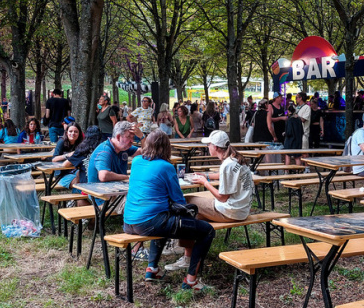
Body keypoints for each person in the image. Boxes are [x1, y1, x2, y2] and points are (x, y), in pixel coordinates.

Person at [123, 130, 215, 291]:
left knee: (164, 219)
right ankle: (191, 281)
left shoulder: (137, 161)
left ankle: (152, 269)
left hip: (129, 222)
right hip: (150, 222)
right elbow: (178, 200)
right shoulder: (166, 167)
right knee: (207, 231)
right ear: (166, 147)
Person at [165, 130, 254, 272]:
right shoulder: (235, 159)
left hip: (230, 211)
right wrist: (206, 175)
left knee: (186, 203)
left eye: (209, 145)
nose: (207, 147)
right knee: (194, 214)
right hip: (242, 209)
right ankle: (186, 251)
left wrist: (204, 182)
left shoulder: (227, 165)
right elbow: (223, 175)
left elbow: (222, 197)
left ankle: (185, 255)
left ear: (216, 147)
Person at [86, 121, 143, 208]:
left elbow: (146, 152)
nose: (132, 141)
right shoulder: (104, 151)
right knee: (143, 204)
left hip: (118, 193)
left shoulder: (123, 147)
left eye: (133, 137)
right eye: (129, 137)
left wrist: (142, 136)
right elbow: (104, 176)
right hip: (103, 199)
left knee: (149, 196)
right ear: (118, 137)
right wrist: (127, 177)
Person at [51, 123, 84, 189]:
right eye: (70, 131)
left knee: (84, 177)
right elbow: (54, 159)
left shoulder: (81, 143)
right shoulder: (61, 142)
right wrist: (67, 155)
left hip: (75, 170)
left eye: (76, 132)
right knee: (78, 183)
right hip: (62, 173)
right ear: (66, 133)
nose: (73, 133)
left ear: (79, 133)